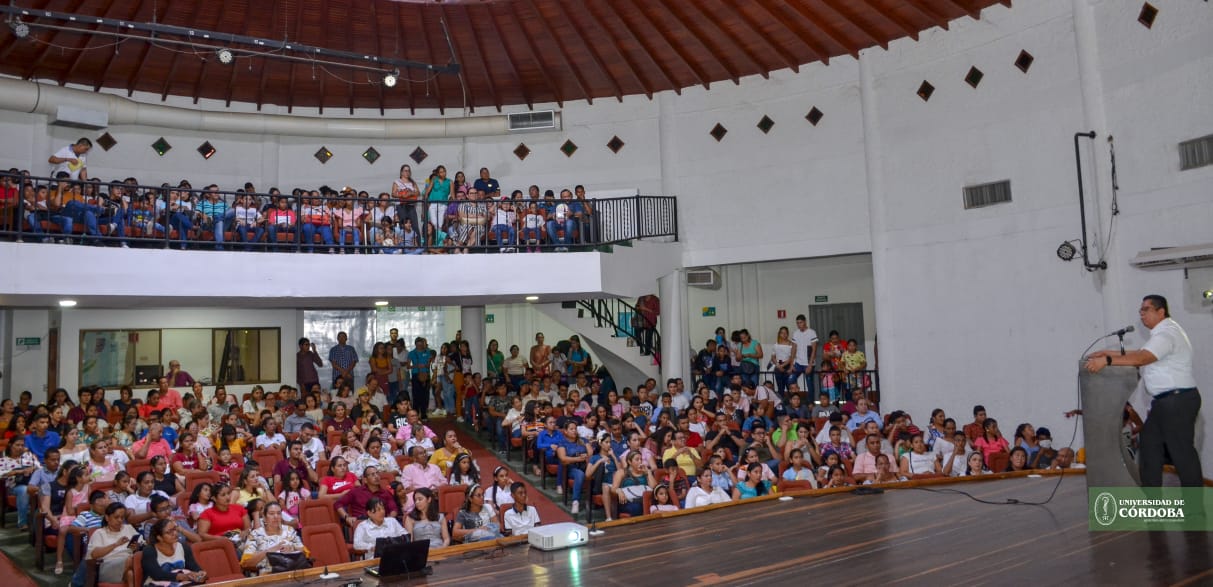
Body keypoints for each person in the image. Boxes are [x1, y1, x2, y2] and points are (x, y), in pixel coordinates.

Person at [1085, 294, 1202, 488]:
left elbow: (1143, 358)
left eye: (1146, 309)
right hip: (1166, 402)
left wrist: (1107, 361)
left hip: (1177, 400)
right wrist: (1109, 352)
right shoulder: (1160, 334)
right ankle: (1152, 500)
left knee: (1182, 454)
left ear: (1161, 311)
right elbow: (1141, 353)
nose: (1141, 314)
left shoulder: (1167, 334)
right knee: (1149, 447)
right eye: (1140, 310)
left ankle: (1194, 506)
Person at [86, 502, 138, 585]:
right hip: (108, 566)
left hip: (130, 563)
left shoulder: (128, 528)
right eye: (116, 517)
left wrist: (137, 547)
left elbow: (142, 544)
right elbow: (93, 554)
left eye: (122, 517)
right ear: (107, 517)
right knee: (131, 560)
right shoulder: (99, 533)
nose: (120, 520)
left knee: (130, 573)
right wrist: (116, 544)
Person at [143, 519, 207, 585]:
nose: (175, 533)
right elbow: (157, 575)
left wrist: (200, 573)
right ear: (159, 537)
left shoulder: (183, 547)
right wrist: (182, 576)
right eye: (169, 532)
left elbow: (193, 566)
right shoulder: (149, 551)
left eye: (175, 529)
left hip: (179, 583)